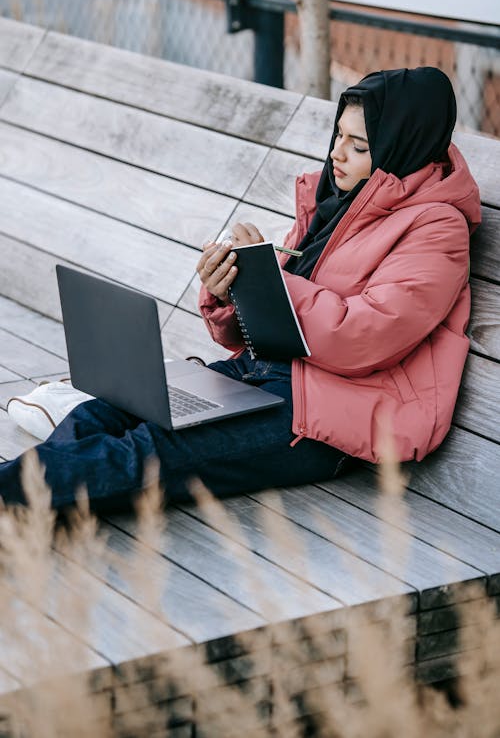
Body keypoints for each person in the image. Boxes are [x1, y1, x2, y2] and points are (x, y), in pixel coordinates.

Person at [0, 66, 481, 512]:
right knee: (101, 414)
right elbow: (267, 328)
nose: (336, 153)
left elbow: (365, 338)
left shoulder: (436, 228)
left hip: (334, 417)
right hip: (264, 376)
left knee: (148, 451)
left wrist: (272, 281)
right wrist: (231, 290)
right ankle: (25, 502)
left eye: (358, 145)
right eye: (338, 135)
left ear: (403, 144)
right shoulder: (338, 203)